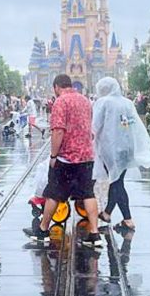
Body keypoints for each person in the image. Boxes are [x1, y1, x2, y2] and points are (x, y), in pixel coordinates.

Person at [23, 74, 103, 247]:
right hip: (86, 155)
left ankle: (43, 230)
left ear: (56, 87)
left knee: (53, 192)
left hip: (67, 157)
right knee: (88, 193)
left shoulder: (61, 101)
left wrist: (53, 155)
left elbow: (58, 131)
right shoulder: (85, 100)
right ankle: (95, 234)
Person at [92, 77, 150, 231]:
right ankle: (107, 213)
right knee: (117, 180)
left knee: (116, 182)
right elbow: (131, 124)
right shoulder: (127, 103)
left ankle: (127, 219)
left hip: (110, 147)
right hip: (126, 147)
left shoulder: (103, 102)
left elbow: (95, 125)